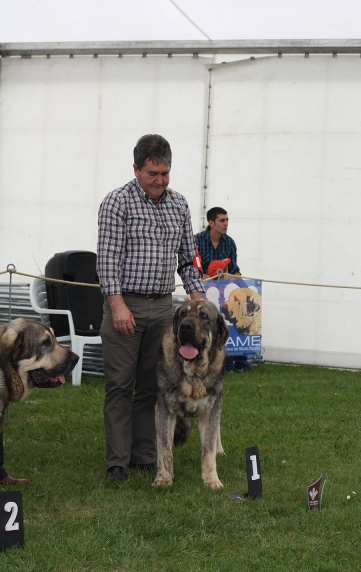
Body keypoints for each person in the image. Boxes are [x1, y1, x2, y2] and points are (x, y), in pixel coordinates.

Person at [97, 134, 204, 482]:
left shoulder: (180, 205)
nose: (159, 180)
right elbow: (108, 260)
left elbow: (188, 259)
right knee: (119, 386)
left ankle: (144, 454)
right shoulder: (117, 203)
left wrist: (197, 296)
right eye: (152, 173)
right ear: (136, 168)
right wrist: (116, 305)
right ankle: (116, 461)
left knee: (152, 386)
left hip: (163, 310)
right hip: (124, 305)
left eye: (165, 173)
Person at [194, 207, 250, 372]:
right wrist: (209, 278)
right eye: (222, 220)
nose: (226, 224)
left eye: (227, 220)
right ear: (211, 223)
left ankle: (239, 361)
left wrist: (244, 286)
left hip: (225, 293)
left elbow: (234, 269)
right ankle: (211, 360)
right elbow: (192, 269)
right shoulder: (196, 241)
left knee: (237, 318)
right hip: (203, 293)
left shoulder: (229, 242)